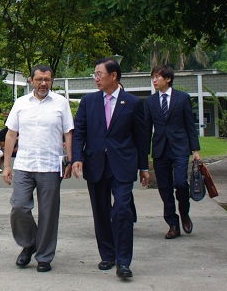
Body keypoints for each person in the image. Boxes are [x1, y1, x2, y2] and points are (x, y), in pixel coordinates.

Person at [72, 58, 149, 279]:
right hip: (95, 164)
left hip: (123, 165)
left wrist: (143, 167)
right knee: (101, 211)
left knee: (122, 210)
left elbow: (141, 138)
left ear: (113, 76)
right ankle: (108, 254)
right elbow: (80, 132)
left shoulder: (132, 103)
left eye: (99, 74)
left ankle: (124, 262)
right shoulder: (88, 102)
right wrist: (77, 158)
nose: (96, 78)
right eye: (94, 75)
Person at [2, 64, 73, 273]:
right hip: (24, 165)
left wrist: (69, 160)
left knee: (48, 213)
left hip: (51, 165)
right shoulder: (21, 103)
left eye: (47, 80)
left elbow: (69, 133)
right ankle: (30, 242)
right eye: (39, 79)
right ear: (31, 80)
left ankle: (44, 256)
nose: (43, 83)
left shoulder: (61, 103)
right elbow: (10, 134)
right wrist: (7, 165)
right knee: (19, 207)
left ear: (52, 81)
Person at [143, 65, 201, 240]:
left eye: (157, 77)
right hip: (160, 149)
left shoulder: (182, 99)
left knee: (181, 183)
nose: (154, 80)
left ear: (168, 79)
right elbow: (146, 129)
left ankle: (184, 211)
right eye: (153, 77)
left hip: (180, 148)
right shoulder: (150, 101)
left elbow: (190, 125)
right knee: (164, 188)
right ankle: (172, 223)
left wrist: (196, 150)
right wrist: (144, 155)